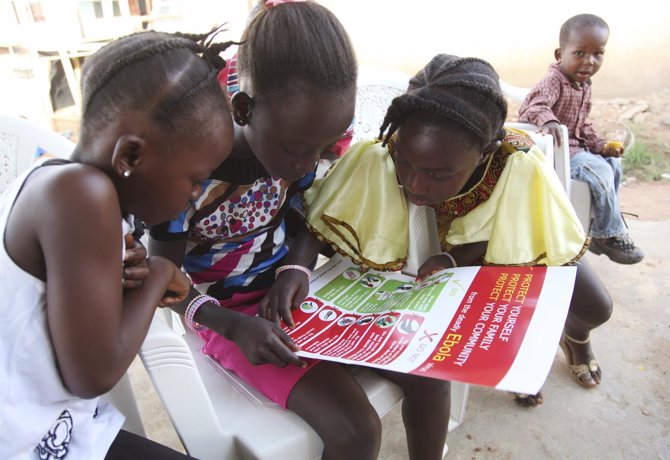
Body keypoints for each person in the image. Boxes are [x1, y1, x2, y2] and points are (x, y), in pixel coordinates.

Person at [300, 55, 613, 412]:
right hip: (452, 257)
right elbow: (323, 218)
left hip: (514, 246)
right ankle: (520, 367)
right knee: (498, 331)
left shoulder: (518, 162)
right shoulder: (383, 153)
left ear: (484, 155)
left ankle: (576, 337)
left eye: (438, 174)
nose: (414, 183)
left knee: (596, 306)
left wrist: (457, 257)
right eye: (406, 161)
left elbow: (524, 231)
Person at [147, 1, 373, 459]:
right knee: (356, 429)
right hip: (225, 314)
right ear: (245, 108)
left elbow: (306, 217)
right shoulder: (189, 172)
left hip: (289, 300)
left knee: (423, 362)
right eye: (299, 150)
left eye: (323, 149)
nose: (308, 164)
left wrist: (297, 267)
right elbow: (161, 279)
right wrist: (229, 323)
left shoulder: (294, 144)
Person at [0, 30, 235, 458]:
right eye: (195, 179)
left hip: (62, 424)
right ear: (129, 157)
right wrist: (161, 273)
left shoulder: (65, 182)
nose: (195, 196)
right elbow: (95, 372)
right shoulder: (82, 196)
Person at [518, 13, 644, 265]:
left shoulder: (584, 84)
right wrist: (549, 120)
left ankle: (599, 224)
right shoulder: (554, 80)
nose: (589, 61)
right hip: (557, 152)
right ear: (559, 54)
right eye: (579, 53)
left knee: (612, 164)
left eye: (598, 53)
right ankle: (609, 235)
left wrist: (601, 146)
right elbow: (532, 107)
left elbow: (583, 125)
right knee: (600, 171)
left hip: (576, 150)